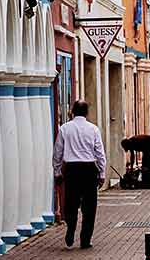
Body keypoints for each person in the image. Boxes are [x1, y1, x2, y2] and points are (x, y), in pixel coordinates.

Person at [52, 100, 106, 250]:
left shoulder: (65, 129)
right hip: (89, 170)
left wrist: (57, 171)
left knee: (71, 203)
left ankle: (70, 229)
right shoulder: (93, 129)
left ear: (72, 111)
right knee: (90, 207)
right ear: (87, 112)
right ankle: (85, 239)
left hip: (72, 170)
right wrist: (102, 173)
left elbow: (58, 152)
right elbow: (100, 153)